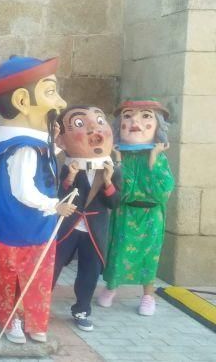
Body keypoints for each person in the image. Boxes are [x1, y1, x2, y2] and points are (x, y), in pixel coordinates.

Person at [0, 56, 76, 344]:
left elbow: (41, 168)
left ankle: (34, 320)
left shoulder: (34, 145)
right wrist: (54, 206)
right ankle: (14, 321)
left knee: (37, 275)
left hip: (37, 225)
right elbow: (23, 190)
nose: (60, 103)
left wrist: (54, 146)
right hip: (20, 226)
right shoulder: (23, 148)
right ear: (22, 101)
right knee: (14, 276)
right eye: (50, 92)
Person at [99, 99, 175, 316]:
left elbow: (162, 191)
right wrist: (119, 159)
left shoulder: (160, 158)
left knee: (149, 255)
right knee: (118, 251)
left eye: (146, 116)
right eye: (128, 116)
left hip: (151, 215)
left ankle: (148, 295)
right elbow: (124, 188)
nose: (135, 122)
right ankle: (111, 287)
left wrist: (152, 159)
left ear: (158, 125)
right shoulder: (123, 157)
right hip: (125, 212)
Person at [53, 106, 121, 331]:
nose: (94, 129)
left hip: (95, 227)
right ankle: (39, 302)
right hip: (69, 225)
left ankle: (82, 309)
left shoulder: (113, 169)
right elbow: (61, 196)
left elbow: (115, 203)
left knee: (90, 272)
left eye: (100, 120)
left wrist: (109, 183)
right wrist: (70, 177)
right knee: (52, 266)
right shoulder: (68, 166)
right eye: (82, 124)